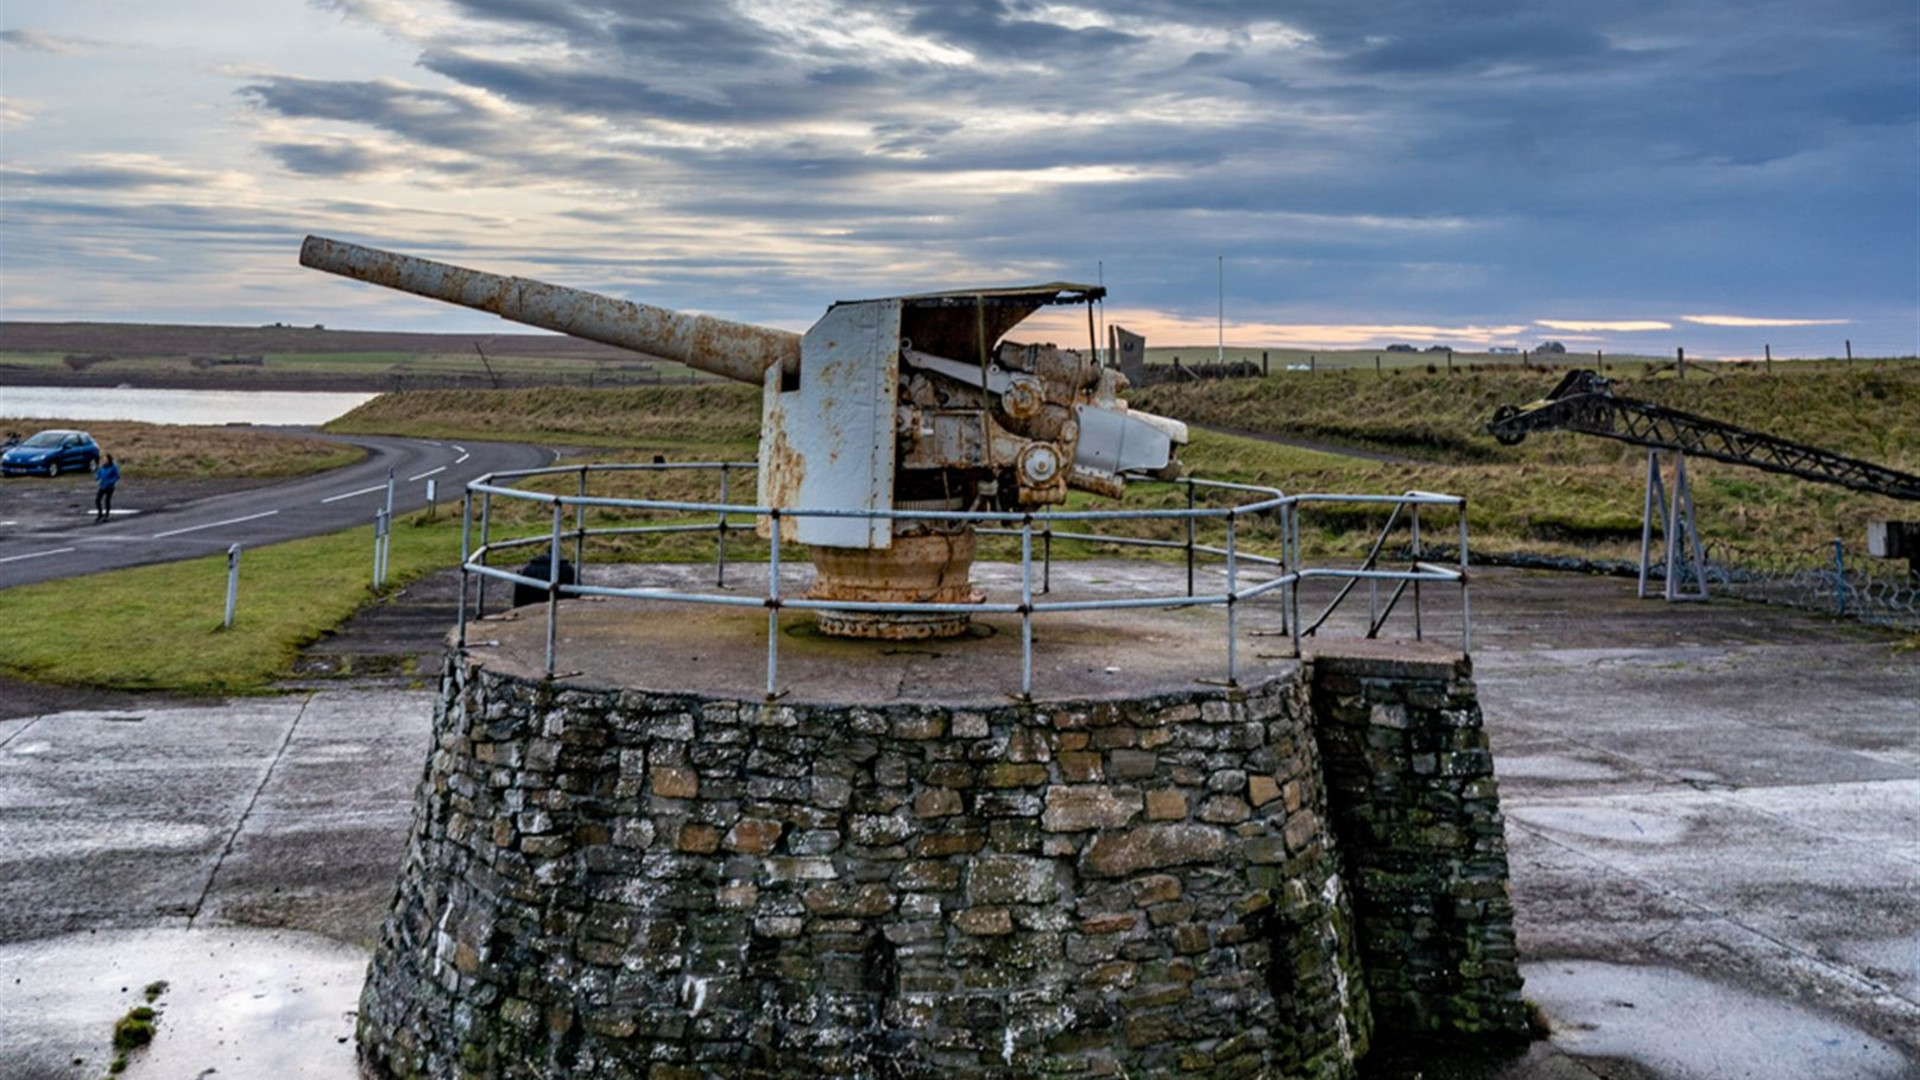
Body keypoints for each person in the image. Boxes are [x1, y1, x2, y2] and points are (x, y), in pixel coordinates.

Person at [94, 455, 120, 521]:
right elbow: (98, 474)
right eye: (103, 460)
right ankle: (100, 513)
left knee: (107, 500)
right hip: (102, 486)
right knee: (97, 500)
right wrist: (97, 478)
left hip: (110, 487)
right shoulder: (102, 467)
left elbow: (117, 476)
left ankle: (107, 515)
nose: (104, 461)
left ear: (109, 460)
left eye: (105, 459)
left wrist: (111, 482)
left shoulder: (113, 467)